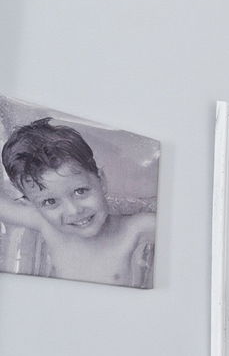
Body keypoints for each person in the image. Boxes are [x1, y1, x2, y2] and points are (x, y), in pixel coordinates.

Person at [0, 118, 156, 288]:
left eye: (80, 191)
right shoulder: (47, 226)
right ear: (32, 203)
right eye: (50, 201)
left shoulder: (136, 229)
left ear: (101, 181)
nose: (73, 211)